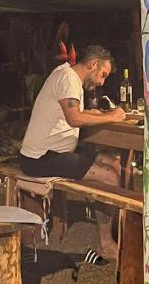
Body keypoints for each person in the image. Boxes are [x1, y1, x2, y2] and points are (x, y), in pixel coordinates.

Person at [19, 45, 126, 261]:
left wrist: (92, 113)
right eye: (102, 75)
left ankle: (116, 234)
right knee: (109, 176)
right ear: (93, 64)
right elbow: (73, 118)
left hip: (52, 153)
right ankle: (106, 245)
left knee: (113, 162)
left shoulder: (67, 75)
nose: (101, 82)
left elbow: (70, 113)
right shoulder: (67, 78)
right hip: (41, 158)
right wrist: (111, 117)